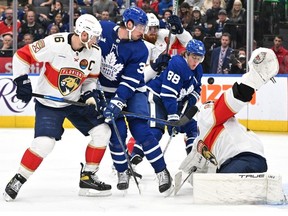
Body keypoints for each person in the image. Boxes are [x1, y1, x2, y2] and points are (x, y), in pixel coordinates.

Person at [3, 14, 112, 201]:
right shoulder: (55, 42)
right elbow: (21, 55)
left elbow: (91, 79)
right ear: (83, 34)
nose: (96, 40)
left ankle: (88, 177)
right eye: (94, 36)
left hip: (74, 102)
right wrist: (21, 80)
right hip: (49, 104)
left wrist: (90, 94)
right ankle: (18, 179)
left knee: (103, 131)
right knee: (44, 143)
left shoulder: (94, 51)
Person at [97, 6, 173, 196]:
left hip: (133, 92)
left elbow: (130, 81)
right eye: (141, 27)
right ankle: (123, 171)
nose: (144, 31)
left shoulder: (140, 49)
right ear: (129, 24)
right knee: (116, 133)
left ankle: (162, 171)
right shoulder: (103, 29)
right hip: (105, 91)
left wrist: (118, 101)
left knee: (141, 130)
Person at [179, 47, 279, 175]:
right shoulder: (204, 136)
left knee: (221, 188)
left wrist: (254, 79)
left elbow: (234, 98)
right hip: (251, 159)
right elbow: (195, 161)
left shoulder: (209, 117)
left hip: (242, 158)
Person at [130, 39, 206, 166]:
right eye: (194, 57)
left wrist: (188, 103)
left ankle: (193, 160)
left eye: (199, 58)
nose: (196, 62)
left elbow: (197, 89)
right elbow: (168, 94)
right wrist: (172, 117)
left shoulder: (198, 70)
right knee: (155, 131)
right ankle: (132, 158)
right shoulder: (178, 64)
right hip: (157, 97)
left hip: (175, 102)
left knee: (192, 127)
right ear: (186, 54)